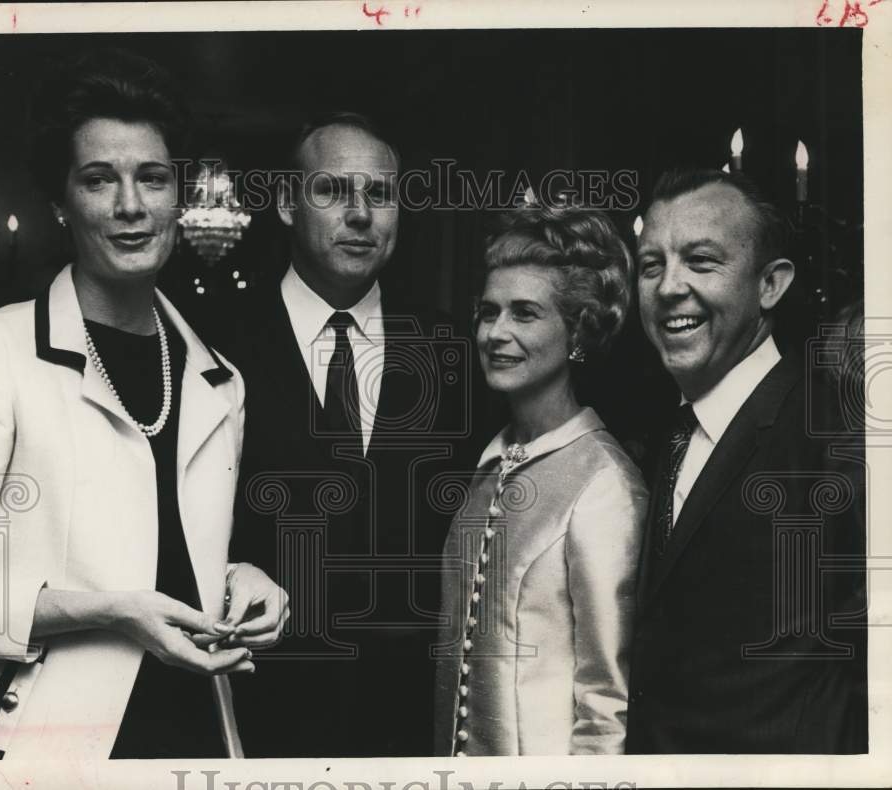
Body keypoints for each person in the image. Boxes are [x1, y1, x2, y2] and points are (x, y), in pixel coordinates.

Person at [0, 49, 288, 760]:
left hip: (199, 735)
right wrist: (107, 610)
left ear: (178, 198)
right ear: (60, 203)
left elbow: (171, 546)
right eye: (98, 180)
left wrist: (241, 577)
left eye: (152, 178)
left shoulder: (221, 381)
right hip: (42, 746)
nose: (130, 205)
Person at [221, 113, 484, 757]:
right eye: (333, 191)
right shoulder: (214, 343)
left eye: (381, 194)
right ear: (286, 203)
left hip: (413, 726)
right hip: (256, 719)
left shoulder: (452, 349)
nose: (361, 214)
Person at [627, 169, 867, 753]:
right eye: (651, 265)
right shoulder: (667, 431)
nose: (667, 287)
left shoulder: (831, 431)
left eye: (701, 261)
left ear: (771, 285)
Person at [433, 204, 648, 756]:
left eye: (525, 313)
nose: (496, 333)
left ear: (578, 330)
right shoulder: (489, 464)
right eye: (488, 312)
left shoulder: (604, 483)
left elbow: (607, 701)